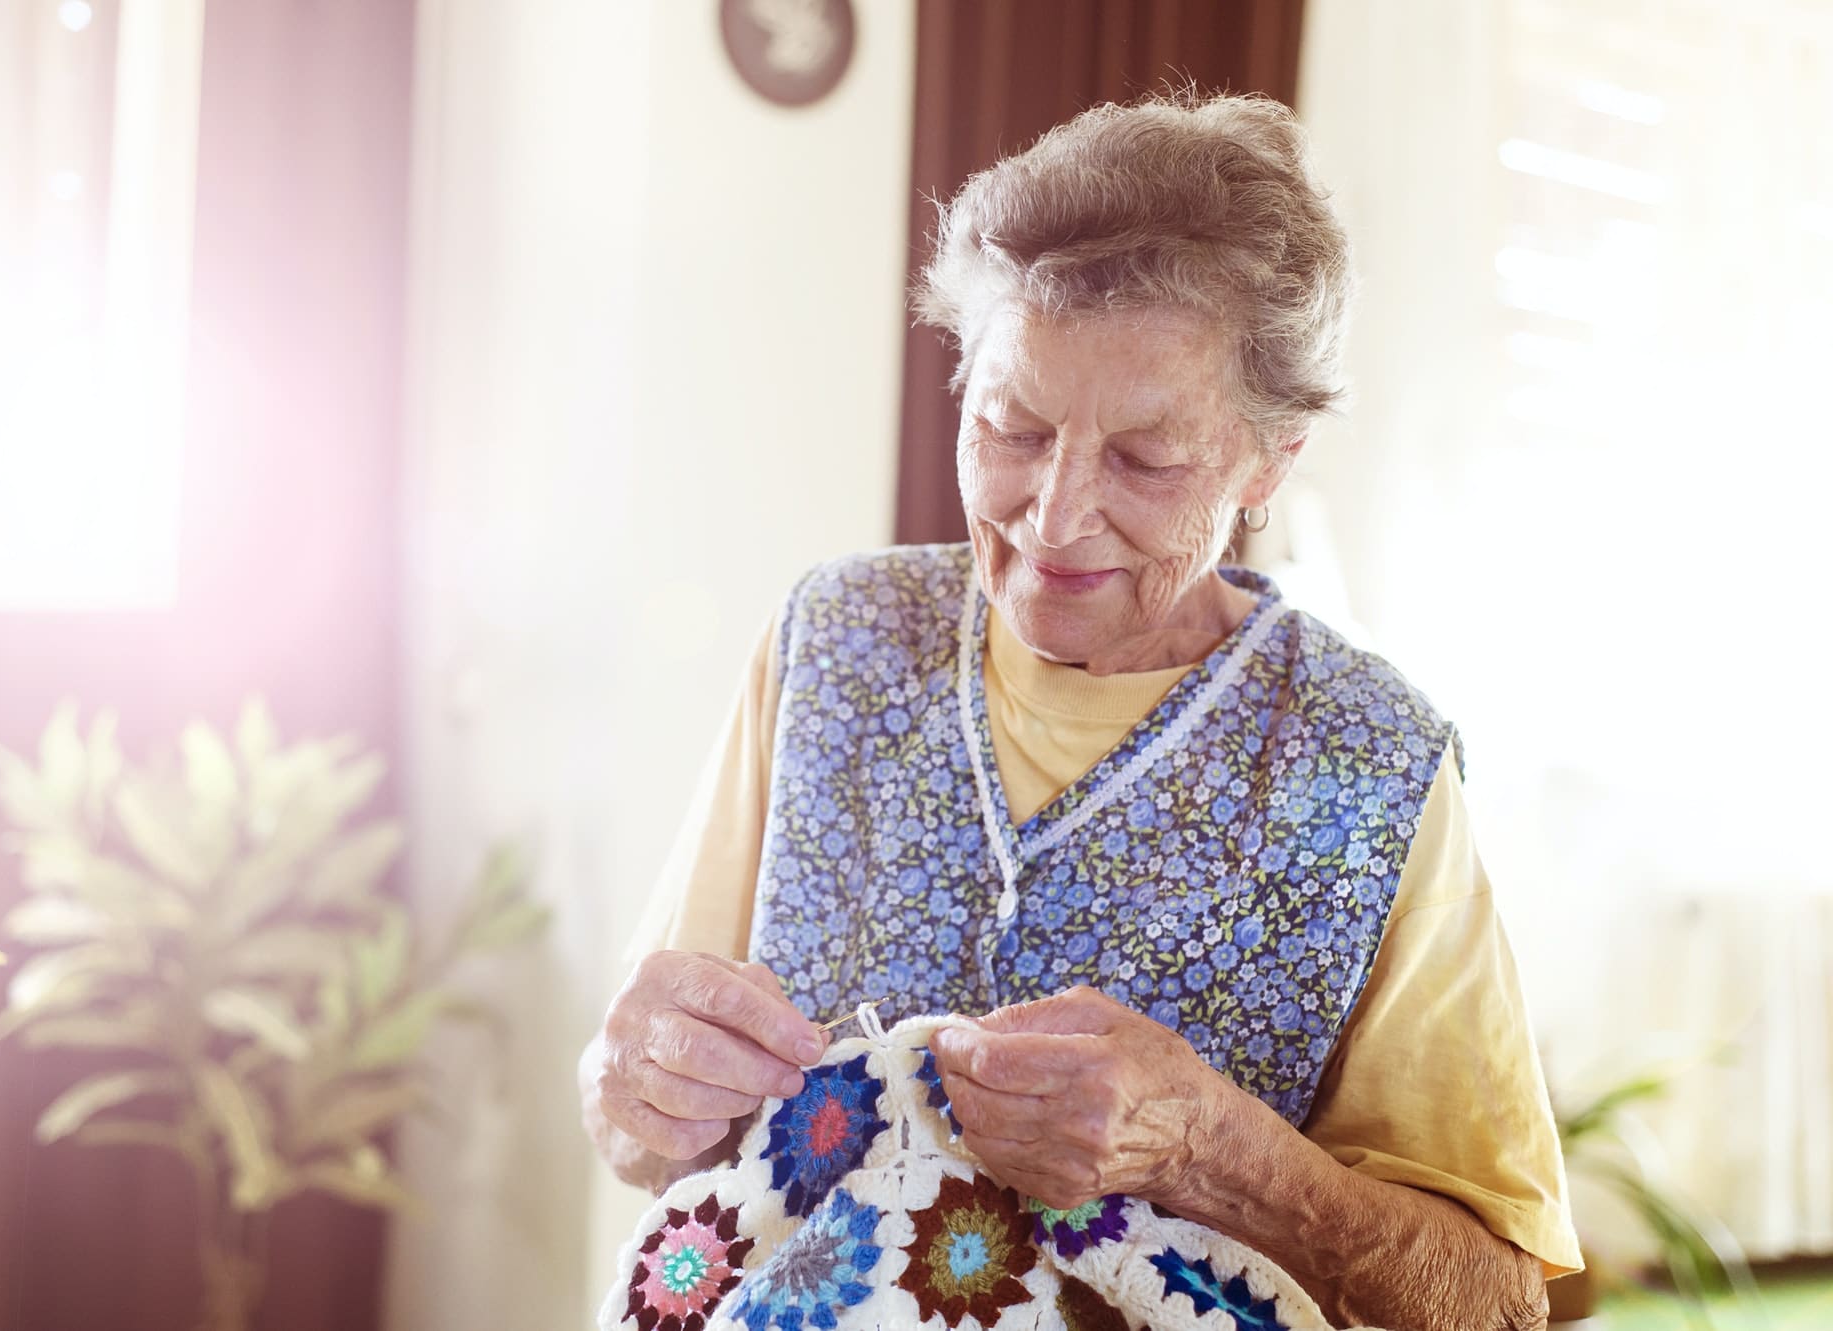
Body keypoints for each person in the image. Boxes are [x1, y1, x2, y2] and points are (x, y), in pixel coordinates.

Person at [580, 92, 1579, 1330]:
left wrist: (1208, 1147)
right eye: (1011, 427)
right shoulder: (830, 643)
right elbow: (641, 1126)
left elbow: (1493, 1301)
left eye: (1145, 461)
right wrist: (627, 1083)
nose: (1051, 517)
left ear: (1269, 459)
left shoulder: (1369, 765)